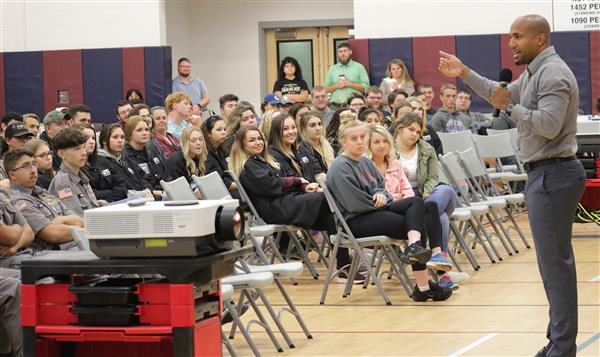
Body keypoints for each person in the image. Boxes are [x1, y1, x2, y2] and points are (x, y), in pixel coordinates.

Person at [439, 14, 586, 357]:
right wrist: (463, 72)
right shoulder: (535, 71)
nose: (511, 43)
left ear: (541, 39)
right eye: (510, 37)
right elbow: (498, 93)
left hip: (554, 173)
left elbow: (548, 125)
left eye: (518, 36)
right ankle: (557, 340)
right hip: (546, 174)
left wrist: (514, 108)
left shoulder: (553, 73)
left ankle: (562, 348)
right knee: (552, 266)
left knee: (556, 267)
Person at [326, 117, 452, 301]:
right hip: (356, 221)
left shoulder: (364, 161)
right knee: (415, 223)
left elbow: (380, 186)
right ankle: (423, 286)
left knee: (416, 203)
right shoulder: (340, 167)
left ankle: (415, 250)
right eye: (354, 138)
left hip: (375, 210)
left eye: (362, 137)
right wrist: (383, 200)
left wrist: (383, 195)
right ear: (343, 142)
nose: (360, 141)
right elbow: (355, 204)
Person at [228, 126, 354, 280]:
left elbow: (282, 180)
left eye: (260, 138)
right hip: (275, 209)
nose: (258, 142)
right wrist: (298, 181)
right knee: (326, 198)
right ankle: (357, 235)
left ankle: (344, 266)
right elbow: (271, 185)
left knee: (330, 217)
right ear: (242, 145)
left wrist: (304, 186)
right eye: (252, 140)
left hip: (286, 202)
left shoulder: (260, 160)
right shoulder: (247, 165)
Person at [5, 149, 81, 249]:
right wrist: (80, 229)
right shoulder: (19, 202)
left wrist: (61, 220)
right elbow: (52, 235)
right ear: (13, 175)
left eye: (34, 164)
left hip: (76, 243)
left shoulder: (41, 192)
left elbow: (78, 219)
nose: (33, 170)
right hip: (55, 255)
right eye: (26, 166)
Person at [48, 128, 102, 216]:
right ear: (61, 154)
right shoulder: (63, 182)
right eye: (77, 149)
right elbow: (76, 217)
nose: (84, 153)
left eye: (83, 147)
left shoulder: (82, 176)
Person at [98, 124, 154, 196]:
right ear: (104, 141)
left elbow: (143, 178)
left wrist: (148, 191)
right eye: (115, 137)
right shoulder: (100, 162)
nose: (120, 140)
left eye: (122, 137)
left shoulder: (126, 159)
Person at [267, 113, 325, 183]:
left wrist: (325, 179)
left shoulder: (301, 147)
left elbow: (317, 170)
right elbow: (287, 182)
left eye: (293, 127)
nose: (291, 132)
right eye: (285, 129)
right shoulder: (273, 154)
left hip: (313, 189)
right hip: (297, 192)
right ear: (276, 132)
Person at [123, 116, 171, 194]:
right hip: (148, 197)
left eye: (146, 129)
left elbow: (166, 175)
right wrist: (163, 193)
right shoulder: (126, 157)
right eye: (139, 130)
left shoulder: (152, 150)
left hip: (165, 192)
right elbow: (140, 186)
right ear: (130, 134)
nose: (144, 133)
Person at [324, 42, 370, 108]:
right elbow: (325, 89)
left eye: (345, 51)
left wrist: (350, 84)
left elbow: (367, 88)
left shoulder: (359, 67)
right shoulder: (332, 69)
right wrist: (336, 86)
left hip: (354, 107)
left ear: (350, 52)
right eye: (340, 51)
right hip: (334, 106)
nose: (342, 54)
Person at [202, 115, 236, 191]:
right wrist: (243, 185)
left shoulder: (220, 150)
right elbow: (221, 182)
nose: (223, 132)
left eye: (225, 129)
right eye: (219, 130)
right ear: (208, 133)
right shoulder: (206, 153)